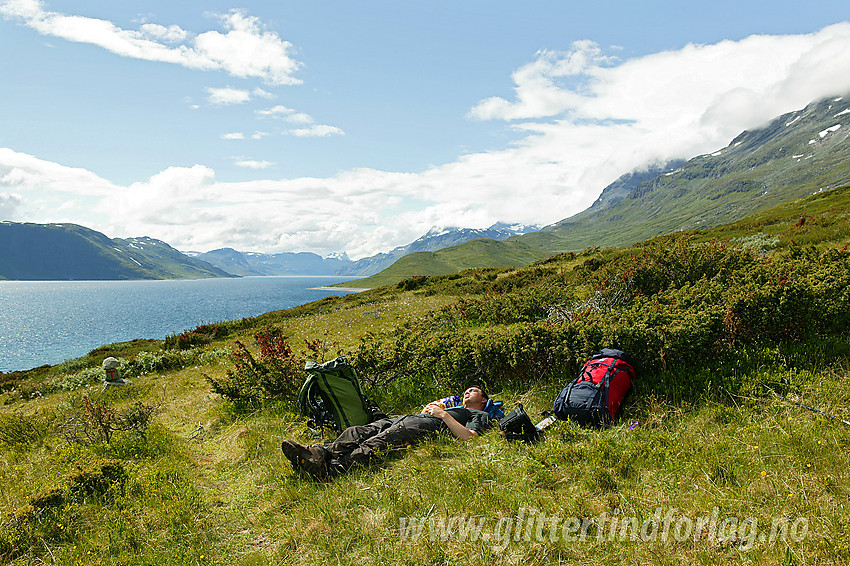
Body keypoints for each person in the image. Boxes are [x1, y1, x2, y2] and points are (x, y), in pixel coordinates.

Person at [281, 385, 494, 479]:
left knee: (377, 443)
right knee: (358, 431)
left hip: (424, 427)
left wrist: (443, 415)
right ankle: (319, 454)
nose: (467, 392)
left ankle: (327, 470)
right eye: (465, 391)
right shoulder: (454, 407)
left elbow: (470, 438)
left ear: (483, 400)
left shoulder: (479, 415)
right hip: (410, 419)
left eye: (473, 391)